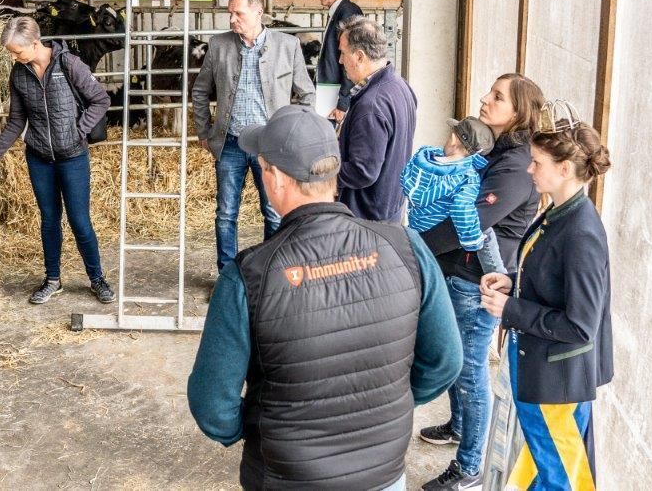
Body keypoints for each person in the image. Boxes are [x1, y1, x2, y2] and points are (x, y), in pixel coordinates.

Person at [187, 105, 463, 490]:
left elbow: (212, 404)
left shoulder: (249, 276)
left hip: (288, 477)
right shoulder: (405, 247)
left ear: (276, 179)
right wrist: (386, 408)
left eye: (263, 168)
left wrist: (253, 429)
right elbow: (446, 360)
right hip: (384, 475)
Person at [418, 73, 545, 491]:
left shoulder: (514, 166)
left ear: (518, 111)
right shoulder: (496, 152)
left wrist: (414, 243)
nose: (485, 100)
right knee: (457, 362)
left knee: (470, 370)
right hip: (462, 271)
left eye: (497, 97)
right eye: (489, 93)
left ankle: (470, 467)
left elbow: (469, 221)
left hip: (479, 283)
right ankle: (458, 427)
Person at [479, 106, 613, 490]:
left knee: (560, 478)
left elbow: (580, 325)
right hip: (542, 370)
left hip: (558, 383)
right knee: (542, 467)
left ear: (565, 169)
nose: (529, 169)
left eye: (537, 163)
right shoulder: (560, 213)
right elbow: (552, 278)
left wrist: (512, 308)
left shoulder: (581, 232)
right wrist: (511, 281)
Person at [0, 16, 114, 305]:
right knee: (49, 220)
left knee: (80, 221)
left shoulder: (69, 64)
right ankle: (52, 279)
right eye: (10, 52)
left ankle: (97, 278)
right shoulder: (19, 74)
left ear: (35, 44)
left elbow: (101, 100)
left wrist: (78, 131)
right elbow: (15, 123)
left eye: (16, 51)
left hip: (73, 157)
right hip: (39, 158)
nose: (13, 57)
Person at [192, 0, 315, 272]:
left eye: (238, 13)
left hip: (270, 146)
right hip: (230, 142)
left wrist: (295, 135)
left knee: (273, 213)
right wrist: (203, 131)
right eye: (229, 13)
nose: (232, 19)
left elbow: (306, 95)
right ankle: (227, 275)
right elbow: (200, 91)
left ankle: (269, 276)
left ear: (258, 12)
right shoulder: (219, 44)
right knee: (225, 214)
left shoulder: (288, 45)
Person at [336, 16, 416, 222]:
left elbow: (362, 171)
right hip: (391, 206)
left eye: (344, 53)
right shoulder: (400, 86)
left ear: (360, 56)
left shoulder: (371, 106)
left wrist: (325, 175)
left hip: (367, 215)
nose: (340, 60)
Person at [401, 116, 505, 274]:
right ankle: (499, 279)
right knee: (486, 232)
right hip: (436, 226)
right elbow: (461, 208)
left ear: (454, 140)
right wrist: (472, 242)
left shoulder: (423, 160)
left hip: (416, 224)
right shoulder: (466, 178)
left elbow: (404, 178)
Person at [314, 0, 363, 120]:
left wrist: (344, 102)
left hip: (335, 99)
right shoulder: (339, 11)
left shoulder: (348, 11)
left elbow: (352, 58)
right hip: (329, 95)